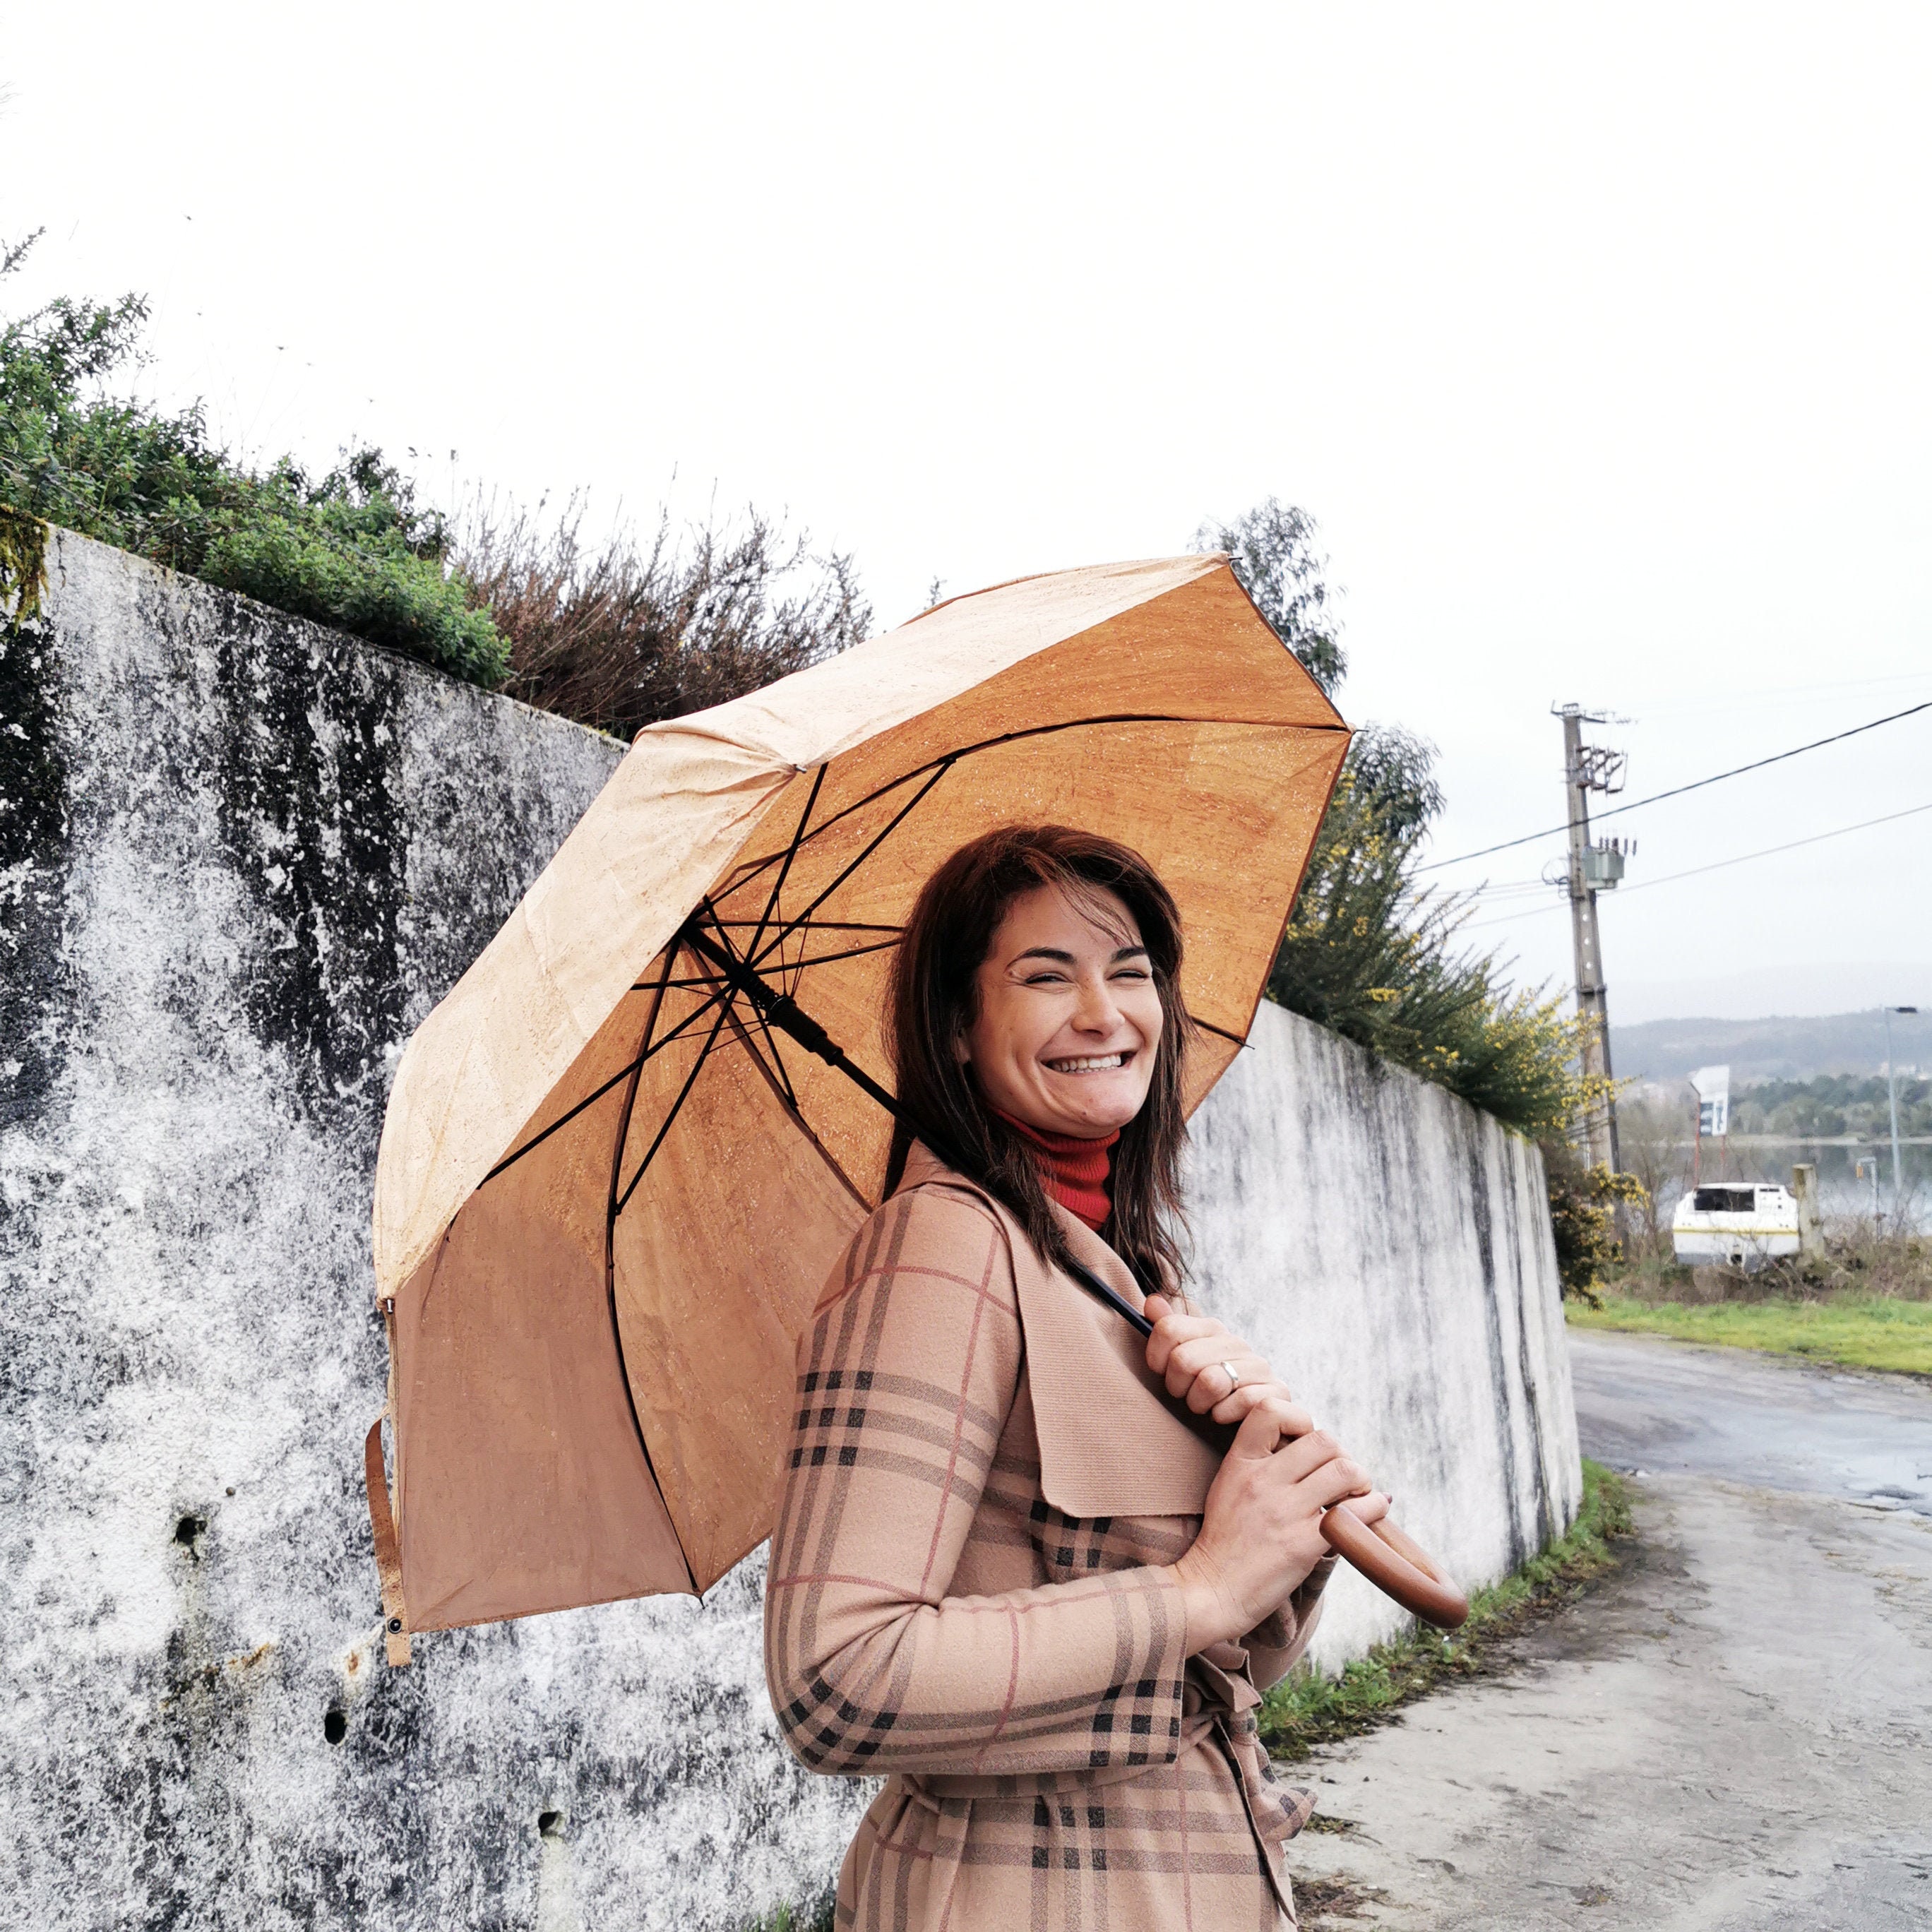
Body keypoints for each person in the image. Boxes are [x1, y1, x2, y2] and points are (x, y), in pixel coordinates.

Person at [763, 824, 1388, 1931]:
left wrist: (1284, 1532)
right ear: (958, 1027)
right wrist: (1194, 1588)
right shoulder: (944, 1250)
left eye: (1131, 973)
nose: (1106, 1014)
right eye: (1046, 978)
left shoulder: (1120, 1268)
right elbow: (838, 1683)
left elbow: (1214, 1680)